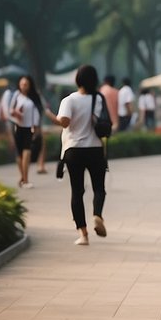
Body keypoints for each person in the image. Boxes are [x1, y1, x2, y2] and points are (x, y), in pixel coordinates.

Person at [48, 65, 109, 246]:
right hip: (95, 148)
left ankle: (83, 235)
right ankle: (97, 214)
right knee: (99, 188)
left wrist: (49, 115)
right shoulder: (98, 99)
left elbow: (64, 123)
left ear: (77, 80)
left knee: (77, 192)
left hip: (74, 150)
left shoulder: (69, 100)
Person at [8, 75, 42, 188]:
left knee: (27, 151)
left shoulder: (33, 97)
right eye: (22, 84)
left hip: (29, 127)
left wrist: (36, 127)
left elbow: (37, 111)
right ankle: (23, 177)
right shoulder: (16, 95)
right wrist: (15, 113)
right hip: (18, 126)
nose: (23, 86)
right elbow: (10, 110)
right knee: (19, 154)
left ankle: (26, 179)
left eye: (26, 84)